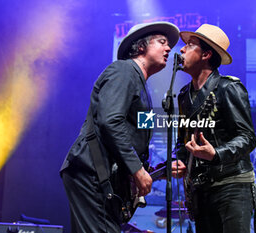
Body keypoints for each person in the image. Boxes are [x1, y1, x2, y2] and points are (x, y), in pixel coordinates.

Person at [59, 21, 179, 233]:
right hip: (93, 173)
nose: (169, 48)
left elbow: (135, 141)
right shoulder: (123, 70)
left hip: (106, 177)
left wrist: (159, 170)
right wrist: (137, 169)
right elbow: (110, 121)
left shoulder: (143, 87)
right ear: (141, 46)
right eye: (162, 42)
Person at [171, 24, 256, 233]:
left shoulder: (229, 88)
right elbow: (182, 140)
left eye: (189, 45)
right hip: (202, 189)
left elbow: (248, 137)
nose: (181, 50)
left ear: (206, 54)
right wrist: (178, 159)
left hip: (232, 185)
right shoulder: (183, 95)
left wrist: (216, 153)